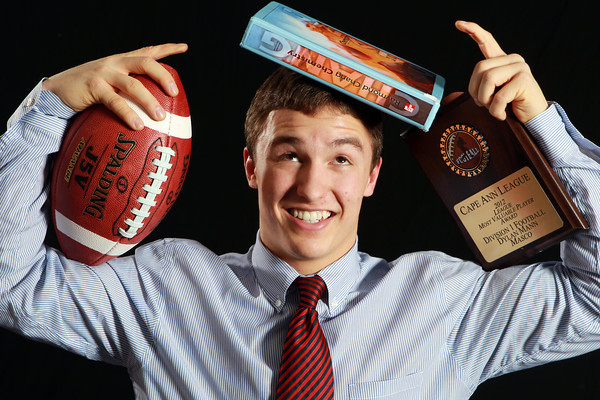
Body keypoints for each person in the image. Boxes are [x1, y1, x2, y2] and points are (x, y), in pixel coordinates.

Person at [1, 20, 599, 399]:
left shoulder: (445, 300)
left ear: (372, 176)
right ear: (250, 168)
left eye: (341, 159)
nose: (312, 188)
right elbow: (10, 282)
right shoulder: (162, 286)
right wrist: (47, 109)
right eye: (289, 154)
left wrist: (542, 128)